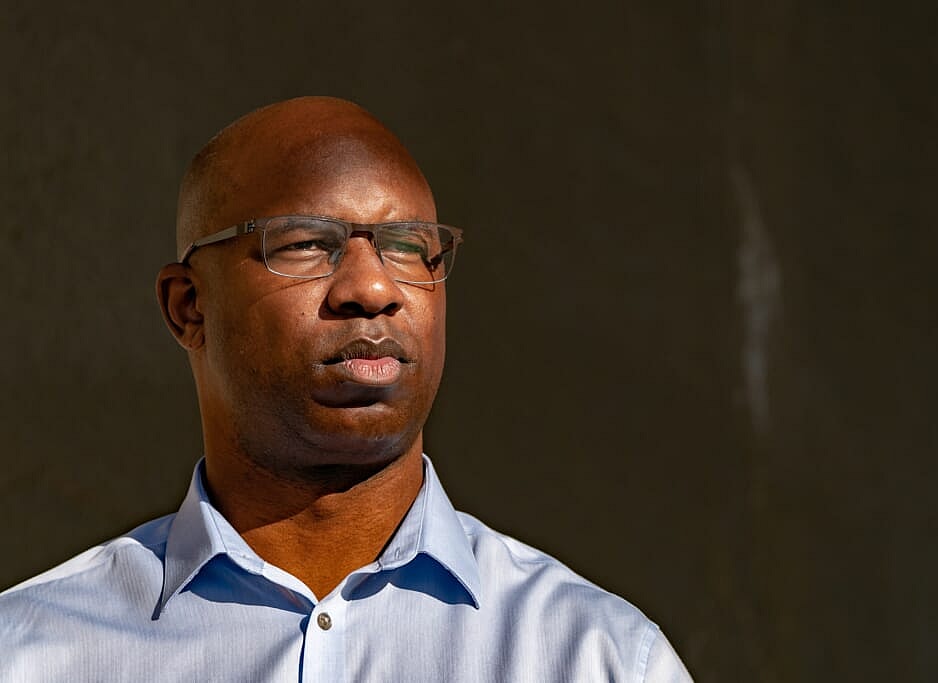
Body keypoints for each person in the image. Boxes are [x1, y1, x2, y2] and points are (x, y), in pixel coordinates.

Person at [0, 96, 691, 681]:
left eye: (408, 245)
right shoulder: (34, 652)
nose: (373, 288)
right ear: (189, 307)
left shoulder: (596, 658)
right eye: (305, 242)